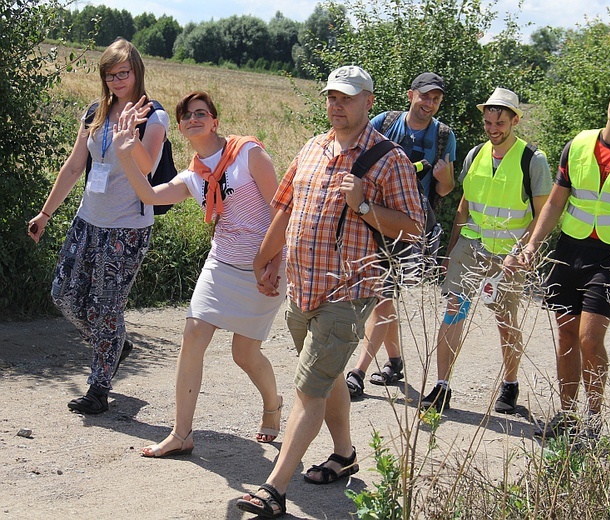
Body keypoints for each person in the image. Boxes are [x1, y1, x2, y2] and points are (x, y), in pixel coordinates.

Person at [235, 65, 424, 518]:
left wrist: (362, 204)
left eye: (347, 97)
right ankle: (344, 455)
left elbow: (414, 228)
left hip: (349, 290)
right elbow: (284, 208)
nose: (337, 105)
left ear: (368, 102)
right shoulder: (314, 147)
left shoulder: (389, 158)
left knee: (309, 387)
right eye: (332, 97)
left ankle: (274, 487)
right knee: (329, 374)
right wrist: (265, 259)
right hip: (302, 287)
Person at [112, 91, 287, 455]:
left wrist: (276, 262)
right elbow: (148, 194)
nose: (194, 118)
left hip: (264, 266)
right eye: (187, 115)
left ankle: (273, 404)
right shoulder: (195, 175)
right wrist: (125, 151)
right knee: (193, 336)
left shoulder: (248, 153)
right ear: (180, 127)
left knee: (245, 354)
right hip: (222, 264)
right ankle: (181, 434)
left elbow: (283, 210)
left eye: (201, 113)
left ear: (214, 120)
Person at [515, 76, 610, 439]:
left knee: (590, 339)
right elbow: (554, 202)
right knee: (566, 336)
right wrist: (533, 244)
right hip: (569, 251)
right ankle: (567, 417)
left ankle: (594, 421)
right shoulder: (579, 144)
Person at [27, 38, 169, 414]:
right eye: (110, 75)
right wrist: (45, 214)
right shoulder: (94, 112)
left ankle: (98, 388)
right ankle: (115, 344)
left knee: (106, 308)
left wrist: (128, 137)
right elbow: (75, 166)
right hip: (87, 221)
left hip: (127, 227)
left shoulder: (154, 116)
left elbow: (148, 168)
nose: (117, 80)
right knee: (63, 295)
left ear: (137, 71)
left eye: (124, 73)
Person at [422, 87, 553, 414]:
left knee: (505, 319)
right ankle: (442, 387)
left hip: (510, 253)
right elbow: (464, 206)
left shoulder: (532, 160)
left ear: (515, 120)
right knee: (455, 311)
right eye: (488, 122)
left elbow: (543, 215)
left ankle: (509, 385)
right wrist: (451, 251)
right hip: (471, 247)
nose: (493, 128)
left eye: (500, 123)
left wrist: (521, 251)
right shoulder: (475, 154)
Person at [345, 72, 457, 399]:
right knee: (384, 296)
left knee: (383, 294)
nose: (429, 104)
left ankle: (358, 371)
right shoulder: (386, 121)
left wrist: (444, 177)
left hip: (407, 224)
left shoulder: (443, 137)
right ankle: (394, 362)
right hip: (371, 216)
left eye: (435, 99)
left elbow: (445, 190)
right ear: (411, 95)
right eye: (425, 96)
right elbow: (357, 154)